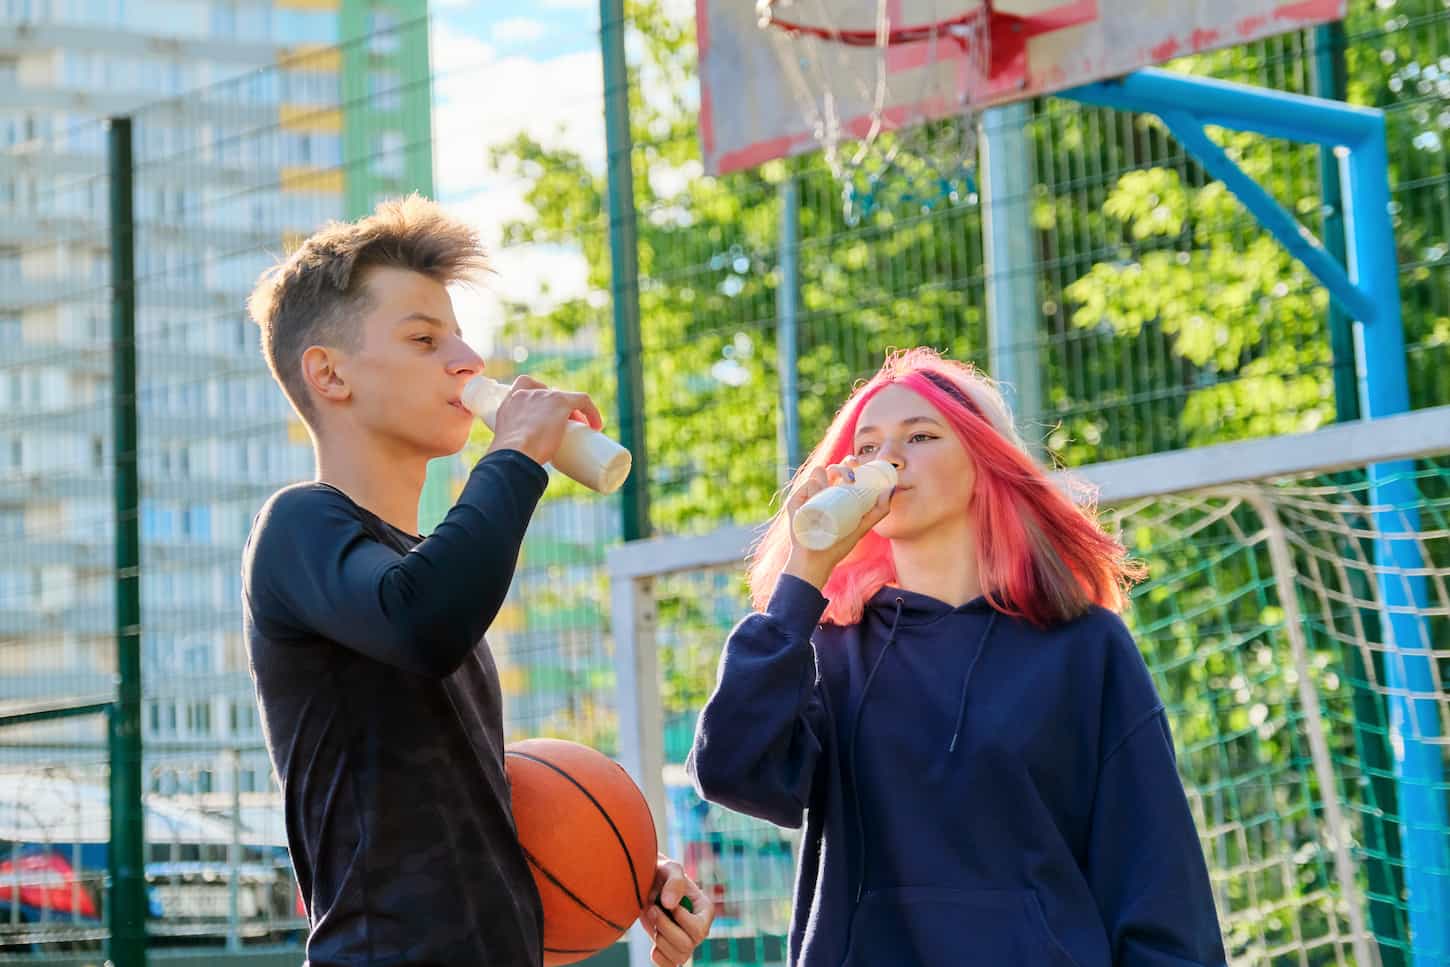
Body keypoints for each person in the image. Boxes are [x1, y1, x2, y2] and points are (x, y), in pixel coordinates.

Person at [241, 195, 713, 966]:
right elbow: (421, 621)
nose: (467, 361)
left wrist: (606, 875)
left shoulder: (431, 570)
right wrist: (516, 456)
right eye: (425, 339)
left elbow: (460, 854)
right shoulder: (297, 529)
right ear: (328, 373)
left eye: (462, 338)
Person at [688, 347, 1226, 966]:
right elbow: (730, 769)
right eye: (867, 446)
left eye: (920, 435)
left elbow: (1158, 881)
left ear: (984, 461)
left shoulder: (1085, 646)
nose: (888, 457)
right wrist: (803, 575)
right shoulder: (823, 653)